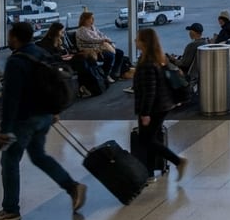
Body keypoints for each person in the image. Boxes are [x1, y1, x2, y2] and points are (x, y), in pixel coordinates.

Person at [0, 22, 87, 220]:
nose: (8, 38)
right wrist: (55, 111)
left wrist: (5, 129)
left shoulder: (16, 61)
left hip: (24, 119)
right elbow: (55, 82)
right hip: (44, 117)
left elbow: (11, 98)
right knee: (39, 156)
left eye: (10, 35)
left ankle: (10, 209)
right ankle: (72, 187)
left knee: (9, 161)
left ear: (15, 37)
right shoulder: (41, 53)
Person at [133, 27, 188, 182]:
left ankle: (178, 161)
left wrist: (145, 113)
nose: (135, 41)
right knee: (151, 139)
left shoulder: (147, 63)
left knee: (146, 139)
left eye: (138, 38)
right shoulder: (159, 58)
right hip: (163, 104)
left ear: (145, 42)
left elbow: (149, 91)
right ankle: (149, 173)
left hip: (154, 108)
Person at [75, 11, 124, 81]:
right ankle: (105, 74)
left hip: (100, 47)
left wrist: (107, 39)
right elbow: (91, 39)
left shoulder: (93, 27)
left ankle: (114, 73)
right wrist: (104, 40)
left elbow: (101, 34)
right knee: (110, 55)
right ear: (85, 20)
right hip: (90, 49)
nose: (93, 20)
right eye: (91, 18)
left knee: (120, 53)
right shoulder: (81, 30)